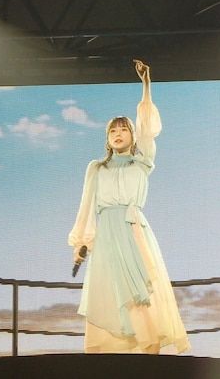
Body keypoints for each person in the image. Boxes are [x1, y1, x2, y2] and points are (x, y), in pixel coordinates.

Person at [68, 59, 190, 354]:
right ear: (107, 139)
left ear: (133, 136)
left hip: (133, 229)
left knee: (139, 287)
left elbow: (148, 128)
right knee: (109, 289)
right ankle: (105, 353)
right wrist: (83, 242)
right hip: (107, 233)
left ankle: (149, 346)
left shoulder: (141, 162)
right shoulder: (96, 168)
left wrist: (146, 85)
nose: (118, 133)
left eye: (124, 129)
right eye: (113, 131)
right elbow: (86, 205)